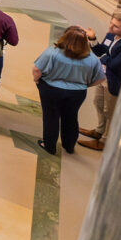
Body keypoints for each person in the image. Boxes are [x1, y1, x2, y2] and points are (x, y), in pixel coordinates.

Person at [30, 26, 100, 155]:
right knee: (71, 118)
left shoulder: (53, 52)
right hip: (77, 93)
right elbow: (99, 78)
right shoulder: (92, 58)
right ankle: (69, 146)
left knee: (51, 117)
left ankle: (50, 146)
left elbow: (36, 70)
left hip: (51, 90)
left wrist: (37, 81)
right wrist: (84, 85)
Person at [81, 11, 121, 150]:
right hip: (104, 77)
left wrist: (104, 59)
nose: (110, 28)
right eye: (111, 23)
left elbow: (117, 65)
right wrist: (93, 39)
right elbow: (101, 52)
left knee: (111, 112)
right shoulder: (111, 35)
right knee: (98, 103)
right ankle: (99, 131)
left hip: (116, 82)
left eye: (115, 26)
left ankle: (105, 142)